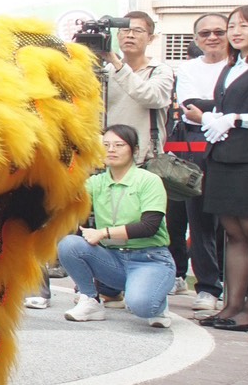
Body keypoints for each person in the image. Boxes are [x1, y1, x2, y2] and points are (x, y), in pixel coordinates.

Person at [183, 4, 248, 332]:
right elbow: (225, 107)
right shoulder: (232, 67)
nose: (236, 32)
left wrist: (231, 119)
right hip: (223, 157)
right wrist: (213, 116)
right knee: (233, 234)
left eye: (244, 26)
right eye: (233, 26)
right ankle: (231, 306)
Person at [58, 125, 177, 328]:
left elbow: (150, 226)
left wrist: (103, 233)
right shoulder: (97, 182)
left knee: (142, 306)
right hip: (114, 259)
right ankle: (90, 300)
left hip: (149, 259)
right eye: (106, 145)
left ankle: (156, 301)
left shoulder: (149, 180)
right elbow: (66, 196)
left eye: (119, 145)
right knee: (69, 244)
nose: (111, 150)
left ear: (135, 150)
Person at [167, 13, 231, 314]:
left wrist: (211, 109)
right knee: (200, 218)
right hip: (196, 149)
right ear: (196, 39)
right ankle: (207, 287)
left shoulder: (240, 66)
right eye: (205, 33)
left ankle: (230, 285)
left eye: (219, 31)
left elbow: (245, 107)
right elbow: (190, 105)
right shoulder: (189, 67)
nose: (212, 37)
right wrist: (224, 108)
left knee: (233, 224)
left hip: (236, 148)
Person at [98, 11, 175, 164]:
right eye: (125, 30)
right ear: (118, 35)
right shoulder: (106, 72)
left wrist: (116, 63)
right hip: (108, 159)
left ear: (150, 38)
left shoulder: (159, 70)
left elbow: (151, 97)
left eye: (138, 31)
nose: (130, 35)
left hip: (145, 161)